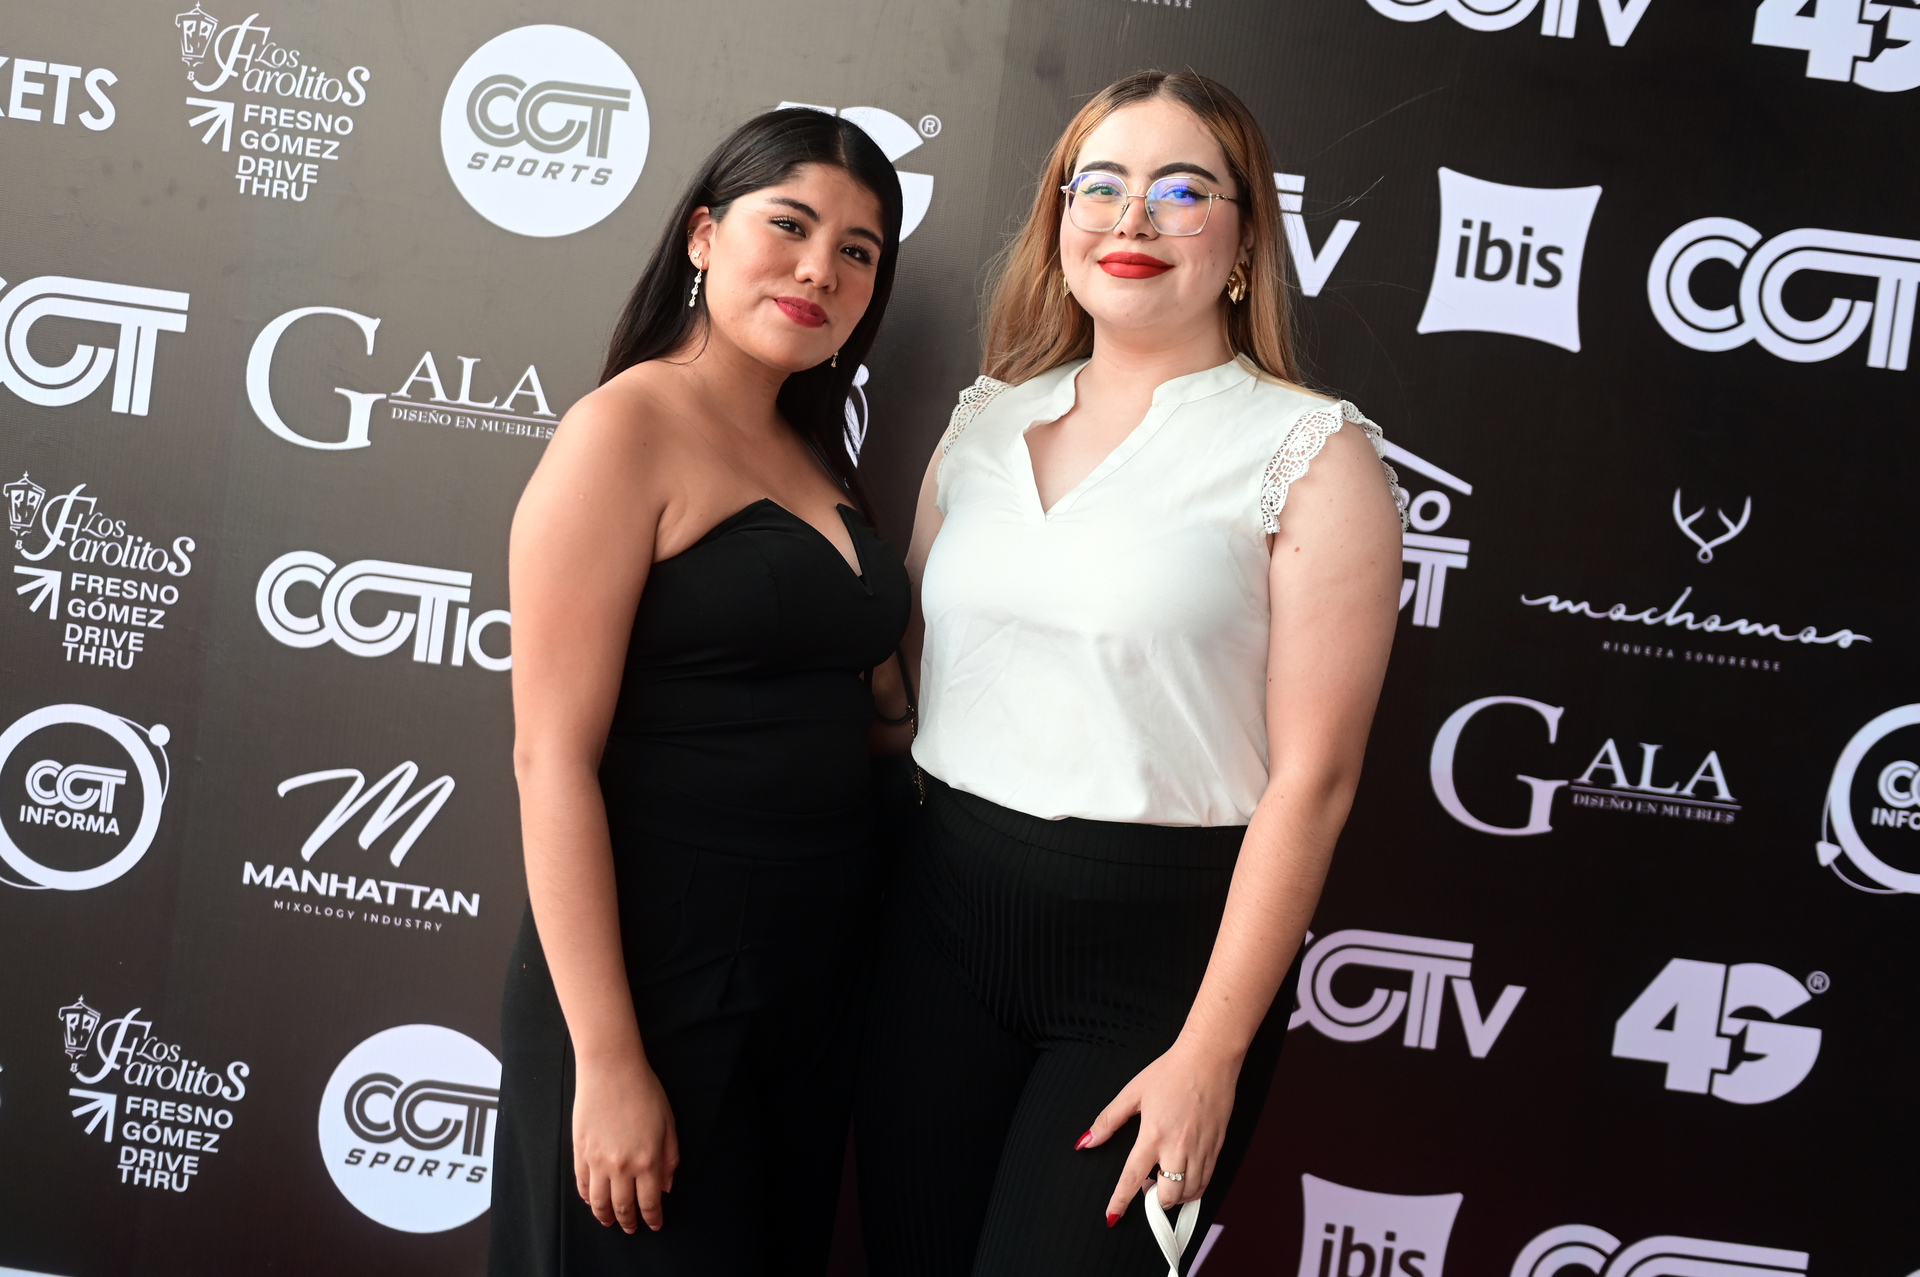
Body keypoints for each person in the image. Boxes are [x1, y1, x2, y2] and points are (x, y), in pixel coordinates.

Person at [856, 71, 1406, 1276]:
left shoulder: (1312, 453)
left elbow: (1314, 782)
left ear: (1247, 238)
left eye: (1182, 190)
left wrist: (1211, 1052)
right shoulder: (983, 423)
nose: (1132, 217)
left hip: (1157, 975)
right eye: (1097, 185)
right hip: (937, 930)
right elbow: (907, 682)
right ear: (1060, 220)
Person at [490, 108, 909, 1277]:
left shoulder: (817, 458)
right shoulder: (621, 430)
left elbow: (867, 712)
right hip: (657, 977)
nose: (820, 270)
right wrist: (609, 1058)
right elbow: (549, 757)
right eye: (791, 225)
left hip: (812, 977)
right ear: (703, 235)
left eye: (859, 251)